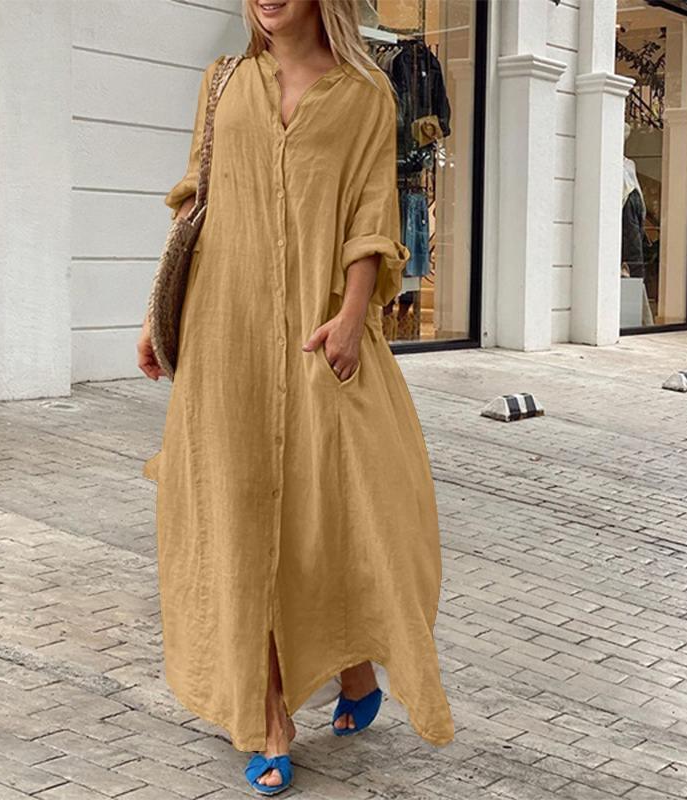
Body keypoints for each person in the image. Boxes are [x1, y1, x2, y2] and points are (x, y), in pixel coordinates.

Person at [136, 0, 454, 794]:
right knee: (239, 519)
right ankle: (268, 716)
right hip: (224, 335)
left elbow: (371, 216)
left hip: (321, 333)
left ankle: (355, 667)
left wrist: (352, 316)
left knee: (337, 510)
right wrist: (155, 318)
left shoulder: (366, 93)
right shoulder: (224, 82)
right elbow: (194, 204)